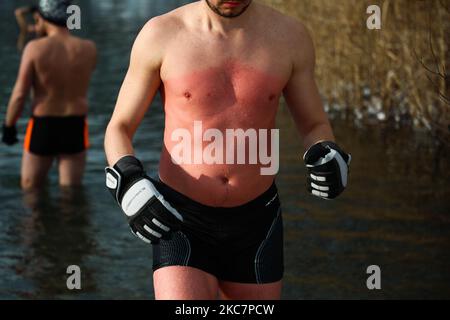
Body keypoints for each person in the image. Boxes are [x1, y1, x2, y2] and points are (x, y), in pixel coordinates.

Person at [104, 0, 351, 300]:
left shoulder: (289, 36)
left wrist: (327, 152)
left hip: (257, 223)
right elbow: (119, 127)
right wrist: (128, 181)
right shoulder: (161, 34)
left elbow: (314, 125)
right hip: (181, 219)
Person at [2, 0, 97, 190]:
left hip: (44, 125)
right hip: (75, 124)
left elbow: (20, 94)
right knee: (71, 191)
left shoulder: (35, 48)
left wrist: (9, 126)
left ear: (43, 17)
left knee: (30, 190)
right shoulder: (88, 48)